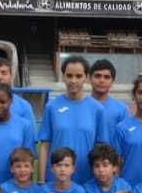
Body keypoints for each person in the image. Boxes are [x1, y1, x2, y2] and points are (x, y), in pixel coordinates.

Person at [38, 55, 104, 184]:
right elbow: (44, 146)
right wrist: (41, 181)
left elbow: (100, 148)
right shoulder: (52, 107)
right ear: (63, 76)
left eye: (78, 76)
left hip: (86, 179)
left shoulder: (97, 109)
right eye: (69, 75)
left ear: (86, 77)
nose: (73, 80)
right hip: (55, 180)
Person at [87, 58, 130, 131]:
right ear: (90, 79)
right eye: (97, 76)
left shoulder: (122, 110)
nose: (101, 80)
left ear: (112, 81)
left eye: (106, 77)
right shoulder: (81, 106)